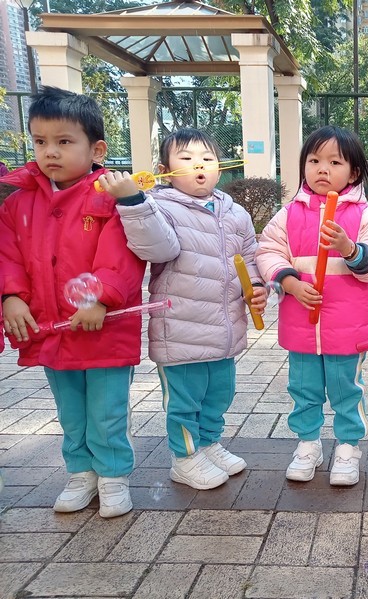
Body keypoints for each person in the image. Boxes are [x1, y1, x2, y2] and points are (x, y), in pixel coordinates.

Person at [0, 86, 146, 517]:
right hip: (51, 328)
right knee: (70, 410)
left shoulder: (109, 196)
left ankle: (113, 474)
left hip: (104, 330)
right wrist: (11, 296)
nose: (50, 152)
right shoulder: (18, 204)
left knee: (107, 409)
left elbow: (122, 254)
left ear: (96, 149)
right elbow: (8, 255)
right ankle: (81, 471)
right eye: (40, 141)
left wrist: (101, 297)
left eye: (64, 141)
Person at [98, 128, 266, 490]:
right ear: (165, 170)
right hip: (180, 327)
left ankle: (208, 443)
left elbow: (250, 257)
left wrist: (256, 287)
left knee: (219, 393)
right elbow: (158, 249)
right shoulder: (158, 206)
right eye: (187, 159)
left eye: (207, 159)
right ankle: (185, 457)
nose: (199, 166)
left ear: (220, 167)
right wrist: (134, 203)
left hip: (224, 328)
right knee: (184, 399)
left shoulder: (235, 213)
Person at [256, 125, 368, 486]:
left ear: (354, 172)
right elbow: (268, 251)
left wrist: (350, 249)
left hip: (347, 329)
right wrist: (289, 282)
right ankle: (308, 444)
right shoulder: (289, 214)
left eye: (334, 162)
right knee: (303, 390)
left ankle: (348, 448)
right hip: (301, 326)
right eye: (314, 160)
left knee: (347, 390)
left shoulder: (364, 216)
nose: (322, 169)